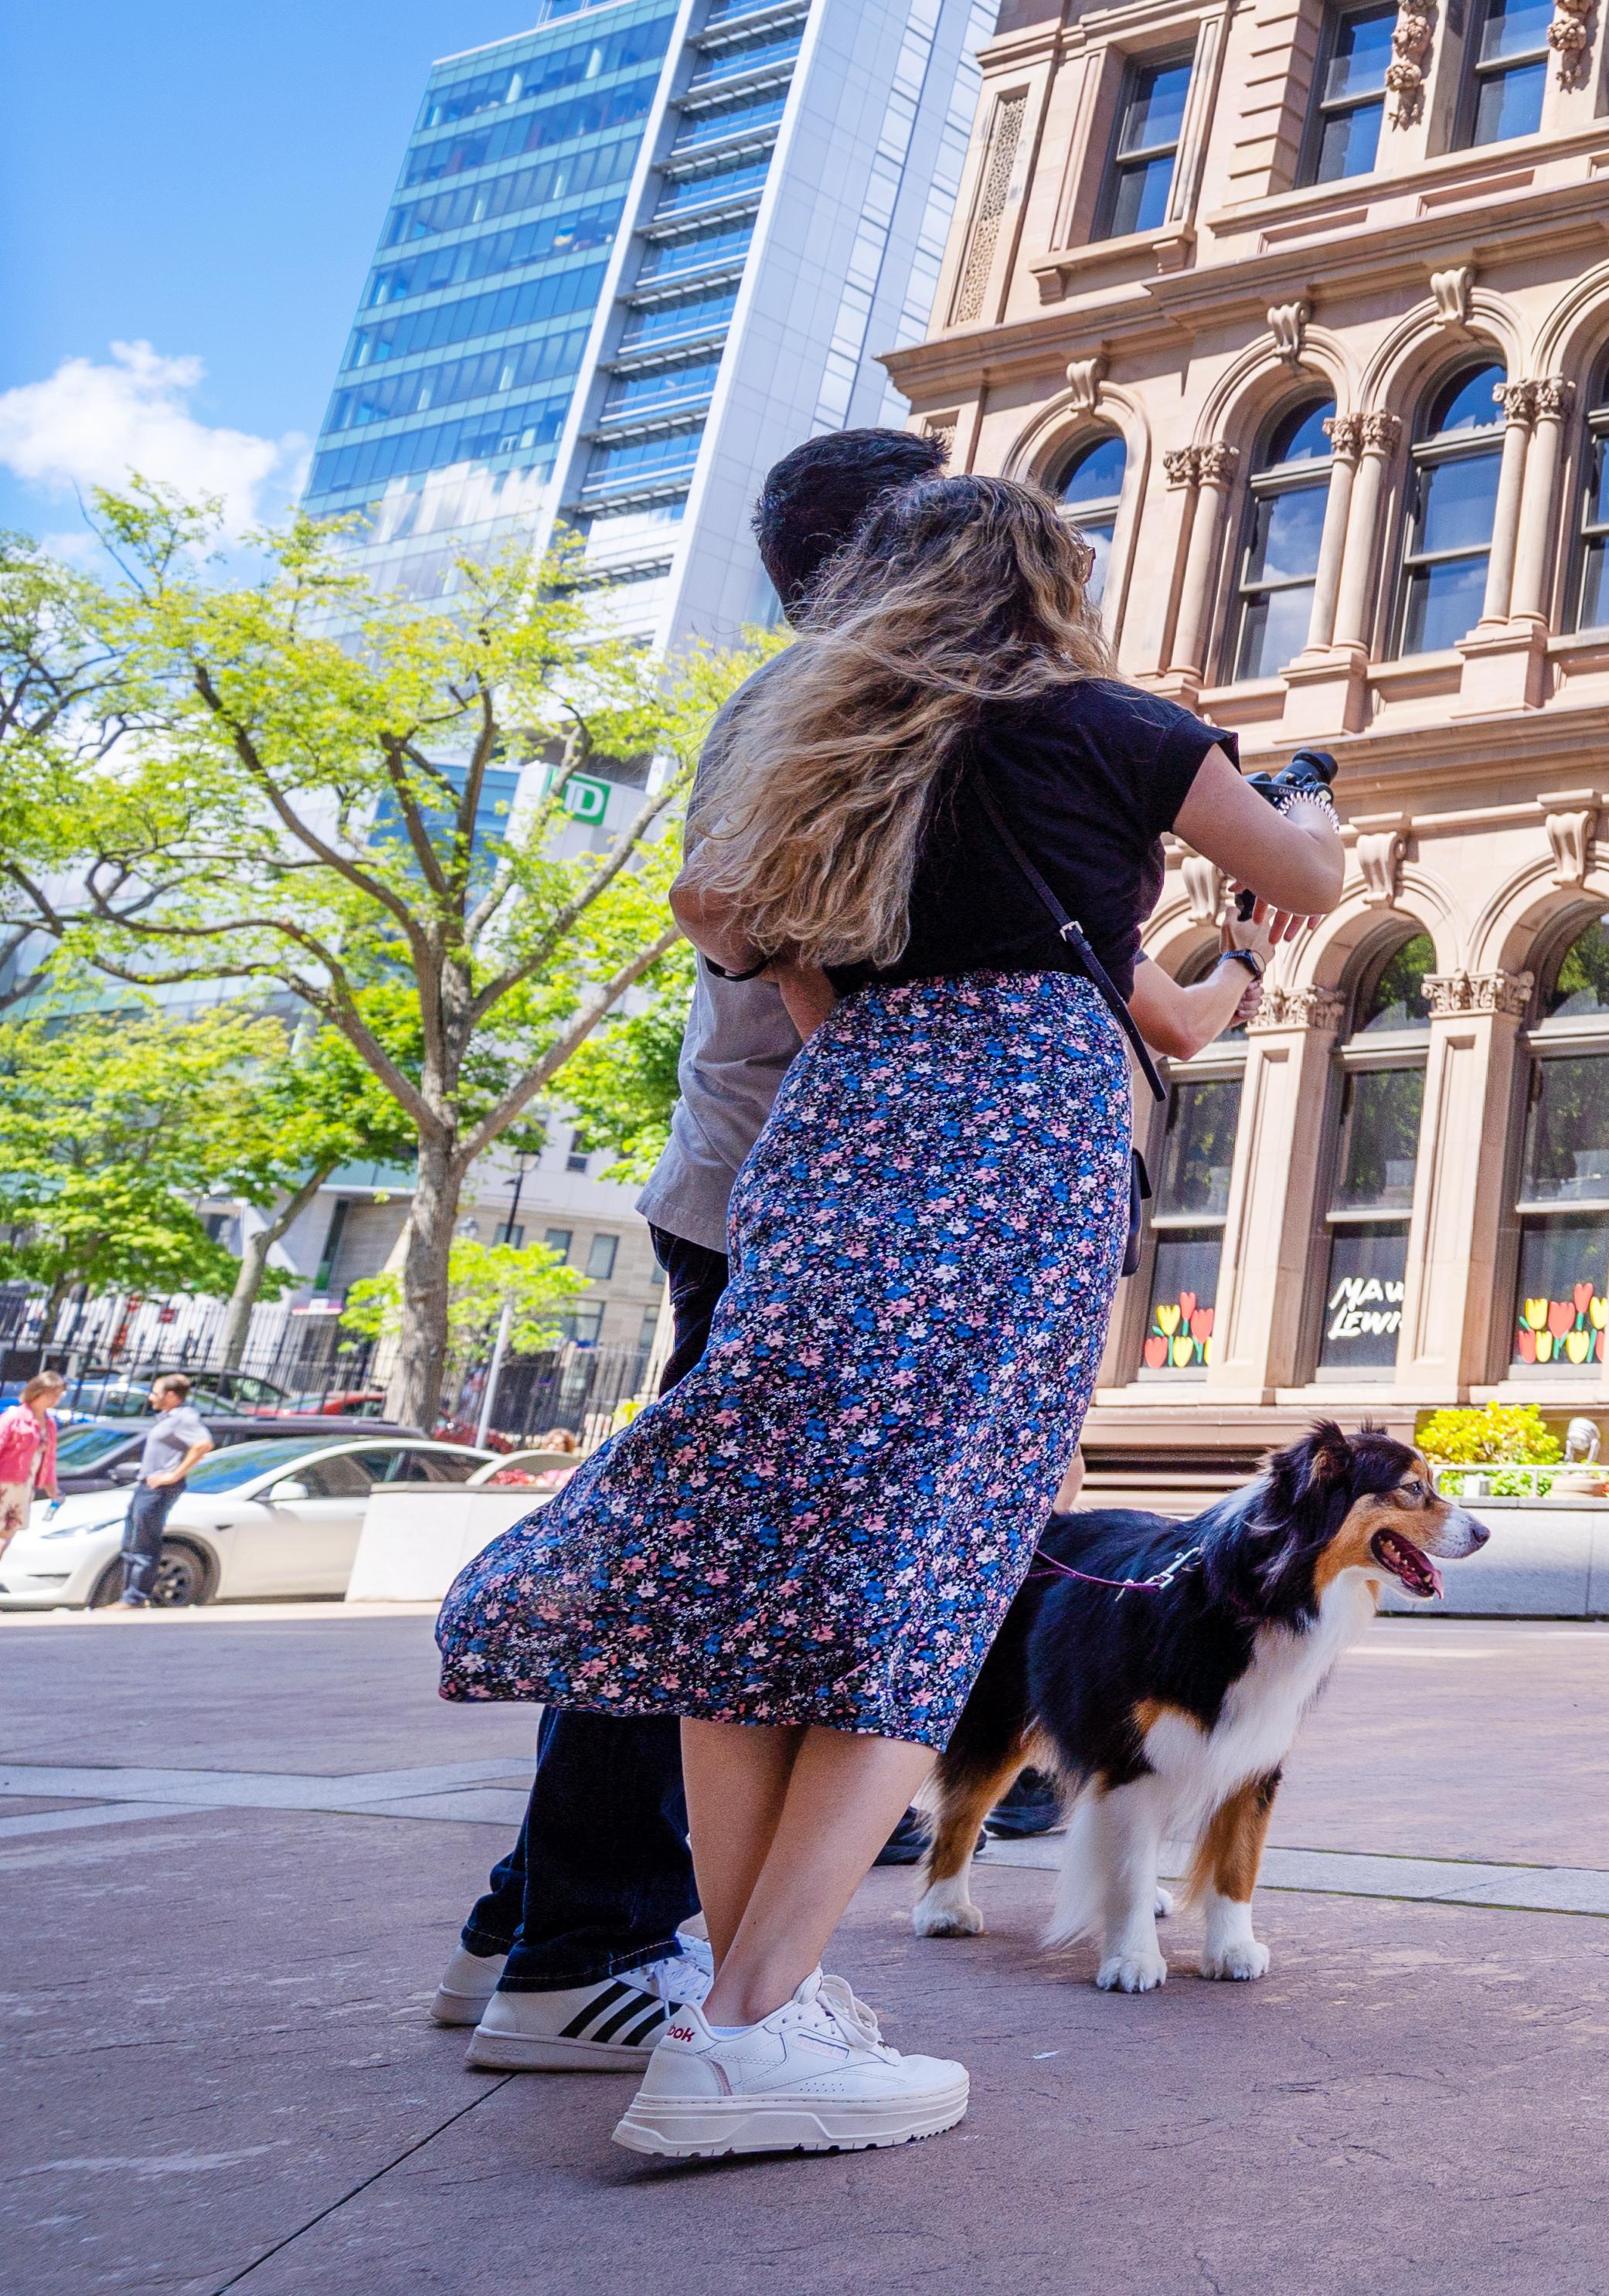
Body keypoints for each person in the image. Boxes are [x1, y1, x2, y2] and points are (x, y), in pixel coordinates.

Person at [437, 471, 1342, 2162]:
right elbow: (1297, 864)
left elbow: (795, 978)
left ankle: (739, 2000)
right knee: (929, 1562)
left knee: (754, 1563)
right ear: (1048, 585)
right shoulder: (1112, 725)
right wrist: (1285, 852)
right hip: (1016, 1163)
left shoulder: (817, 757)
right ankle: (748, 2027)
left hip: (833, 1142)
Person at [434, 425, 950, 2072]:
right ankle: (578, 1945)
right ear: (888, 553)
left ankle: (528, 1924)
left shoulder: (811, 699)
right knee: (697, 1586)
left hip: (753, 1194)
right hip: (791, 1206)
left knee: (696, 1565)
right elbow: (765, 918)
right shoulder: (837, 703)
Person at [112, 1376, 212, 1608]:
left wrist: (174, 1475)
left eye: (155, 1392)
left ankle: (135, 1598)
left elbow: (203, 1444)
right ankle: (127, 1597)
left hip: (160, 1487)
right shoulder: (168, 1418)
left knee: (144, 1542)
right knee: (132, 1540)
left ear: (171, 1396)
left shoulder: (184, 1417)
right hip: (147, 1485)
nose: (151, 1397)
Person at [0, 1372, 64, 1561]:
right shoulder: (14, 1417)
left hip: (23, 1486)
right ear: (37, 1392)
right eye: (51, 1394)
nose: (55, 1399)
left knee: (7, 1534)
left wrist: (53, 1489)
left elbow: (49, 1459)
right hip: (4, 1483)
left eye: (58, 1394)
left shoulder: (50, 1423)